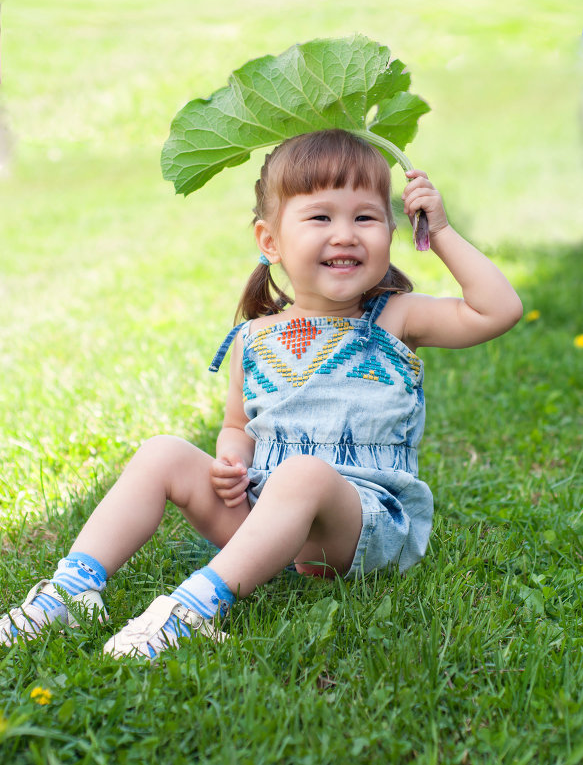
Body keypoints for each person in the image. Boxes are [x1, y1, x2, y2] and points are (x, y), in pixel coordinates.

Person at [0, 129, 523, 659]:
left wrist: (444, 231)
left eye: (365, 217)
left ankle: (192, 608)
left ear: (393, 232)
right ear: (269, 241)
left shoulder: (396, 316)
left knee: (303, 475)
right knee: (162, 452)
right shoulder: (255, 338)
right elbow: (235, 425)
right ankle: (71, 589)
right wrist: (231, 460)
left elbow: (498, 310)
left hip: (360, 524)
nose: (345, 234)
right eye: (321, 217)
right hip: (262, 507)